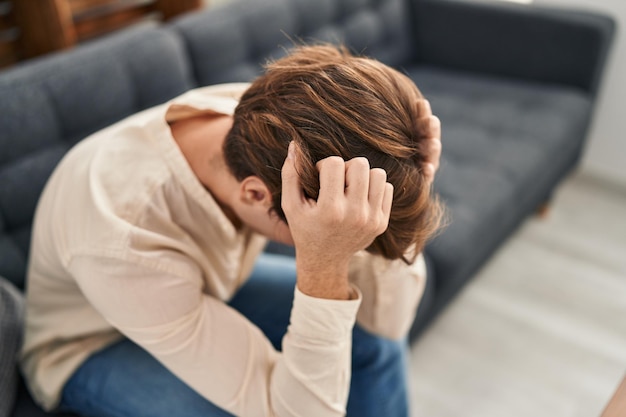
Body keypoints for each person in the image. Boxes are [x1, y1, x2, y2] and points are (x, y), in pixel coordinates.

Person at [21, 45, 443, 417]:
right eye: (336, 224)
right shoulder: (123, 240)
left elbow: (387, 325)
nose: (350, 235)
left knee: (374, 345)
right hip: (91, 344)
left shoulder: (271, 120)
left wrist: (412, 189)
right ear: (257, 195)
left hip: (205, 284)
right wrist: (325, 266)